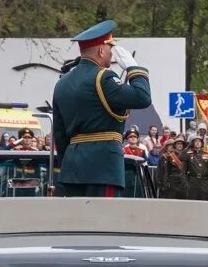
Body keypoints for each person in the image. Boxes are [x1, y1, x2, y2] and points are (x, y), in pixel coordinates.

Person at [52, 20, 152, 197]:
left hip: (72, 169)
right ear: (100, 50)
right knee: (102, 223)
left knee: (76, 223)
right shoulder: (104, 78)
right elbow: (142, 97)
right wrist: (134, 68)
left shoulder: (62, 83)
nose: (111, 55)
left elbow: (59, 134)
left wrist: (68, 165)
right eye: (109, 49)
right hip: (103, 167)